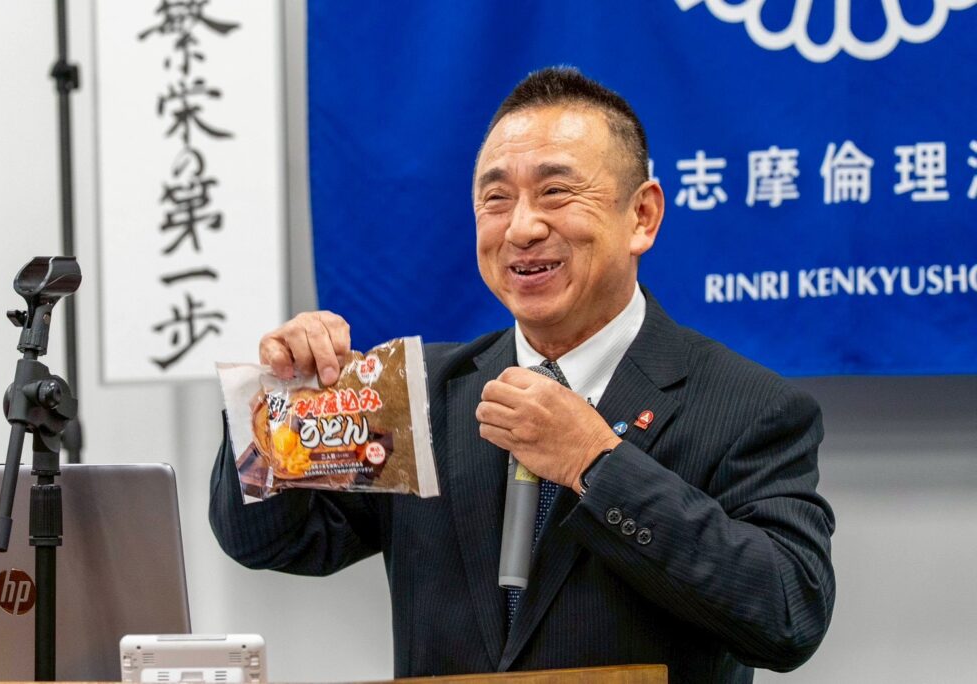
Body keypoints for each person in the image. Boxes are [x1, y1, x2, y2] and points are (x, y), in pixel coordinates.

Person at [210, 67, 835, 683]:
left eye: (556, 192)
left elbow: (788, 615)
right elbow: (268, 541)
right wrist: (281, 399)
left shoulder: (750, 406)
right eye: (496, 199)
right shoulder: (421, 394)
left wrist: (596, 463)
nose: (522, 227)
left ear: (641, 216)